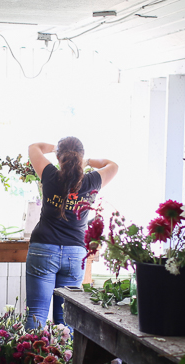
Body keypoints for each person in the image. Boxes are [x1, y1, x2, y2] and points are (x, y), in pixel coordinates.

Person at [25, 137, 118, 330]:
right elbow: (113, 165)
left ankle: (31, 360)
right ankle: (64, 360)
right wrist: (89, 161)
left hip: (43, 248)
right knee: (65, 322)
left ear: (59, 157)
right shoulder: (92, 181)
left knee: (36, 314)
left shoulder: (50, 174)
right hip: (74, 255)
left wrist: (55, 148)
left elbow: (34, 147)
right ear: (80, 157)